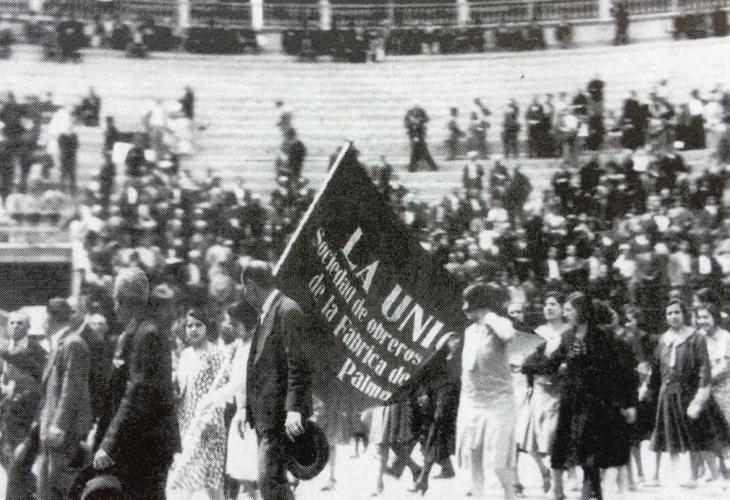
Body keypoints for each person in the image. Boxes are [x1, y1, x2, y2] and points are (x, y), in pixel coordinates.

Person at [93, 268, 180, 499]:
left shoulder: (147, 334)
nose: (114, 307)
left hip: (146, 444)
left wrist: (109, 443)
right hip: (139, 441)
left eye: (116, 300)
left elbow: (136, 393)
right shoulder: (137, 332)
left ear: (124, 301)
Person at [549, 293, 638, 500]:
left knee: (591, 453)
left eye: (569, 309)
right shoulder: (567, 336)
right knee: (567, 447)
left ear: (581, 311)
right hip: (571, 401)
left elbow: (622, 371)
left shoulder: (604, 337)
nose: (565, 313)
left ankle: (588, 493)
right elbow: (552, 362)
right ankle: (570, 491)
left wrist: (628, 403)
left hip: (596, 403)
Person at [240, 260, 312, 500]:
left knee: (270, 481)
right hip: (265, 417)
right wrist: (247, 409)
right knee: (273, 483)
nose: (245, 294)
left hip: (280, 417)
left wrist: (294, 409)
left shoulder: (287, 310)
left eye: (244, 288)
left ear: (251, 286)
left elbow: (298, 364)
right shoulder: (267, 314)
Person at [644, 300, 730, 487]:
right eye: (669, 313)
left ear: (684, 314)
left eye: (677, 312)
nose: (673, 316)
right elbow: (656, 368)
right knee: (667, 435)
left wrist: (701, 395)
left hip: (689, 392)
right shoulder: (664, 339)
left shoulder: (696, 338)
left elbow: (704, 368)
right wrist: (648, 388)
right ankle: (670, 477)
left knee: (697, 435)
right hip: (668, 393)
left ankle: (707, 476)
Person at [456, 282, 517, 500]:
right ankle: (479, 495)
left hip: (499, 401)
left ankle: (510, 494)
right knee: (473, 454)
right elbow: (467, 368)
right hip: (473, 400)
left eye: (469, 302)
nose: (464, 307)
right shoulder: (469, 331)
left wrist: (490, 316)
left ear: (481, 304)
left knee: (498, 461)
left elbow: (509, 335)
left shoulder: (499, 325)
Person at [168, 308, 228, 500]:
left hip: (209, 426)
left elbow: (223, 391)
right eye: (189, 325)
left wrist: (211, 419)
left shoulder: (217, 354)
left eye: (198, 325)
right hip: (187, 425)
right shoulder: (185, 355)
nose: (193, 329)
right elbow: (181, 390)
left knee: (211, 483)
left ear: (206, 327)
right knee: (185, 480)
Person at [37, 298, 93, 500]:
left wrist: (59, 425)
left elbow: (72, 389)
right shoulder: (63, 342)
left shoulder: (72, 344)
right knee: (49, 482)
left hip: (63, 430)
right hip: (52, 425)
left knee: (59, 484)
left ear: (49, 318)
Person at [515, 292, 566, 496]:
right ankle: (546, 473)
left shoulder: (568, 332)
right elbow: (527, 362)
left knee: (554, 436)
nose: (548, 308)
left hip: (560, 391)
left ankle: (558, 485)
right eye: (546, 304)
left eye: (553, 304)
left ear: (562, 308)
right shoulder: (538, 331)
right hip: (538, 389)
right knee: (531, 441)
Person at [405, 104, 438, 171]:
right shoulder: (412, 120)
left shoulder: (417, 119)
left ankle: (412, 168)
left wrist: (420, 121)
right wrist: (415, 137)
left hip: (419, 137)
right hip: (417, 138)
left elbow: (425, 121)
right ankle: (433, 167)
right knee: (420, 153)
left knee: (418, 153)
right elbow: (411, 129)